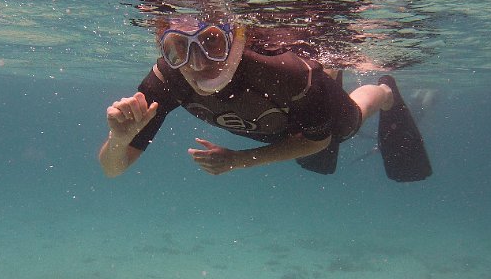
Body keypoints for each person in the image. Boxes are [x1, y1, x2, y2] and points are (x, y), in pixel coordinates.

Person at [98, 14, 431, 181]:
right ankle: (329, 74)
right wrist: (119, 138)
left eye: (212, 43)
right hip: (283, 115)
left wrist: (237, 160)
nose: (197, 65)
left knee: (348, 124)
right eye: (178, 49)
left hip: (308, 105)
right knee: (315, 156)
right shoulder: (166, 81)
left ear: (238, 39)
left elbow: (317, 141)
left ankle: (385, 90)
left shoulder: (288, 75)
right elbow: (113, 169)